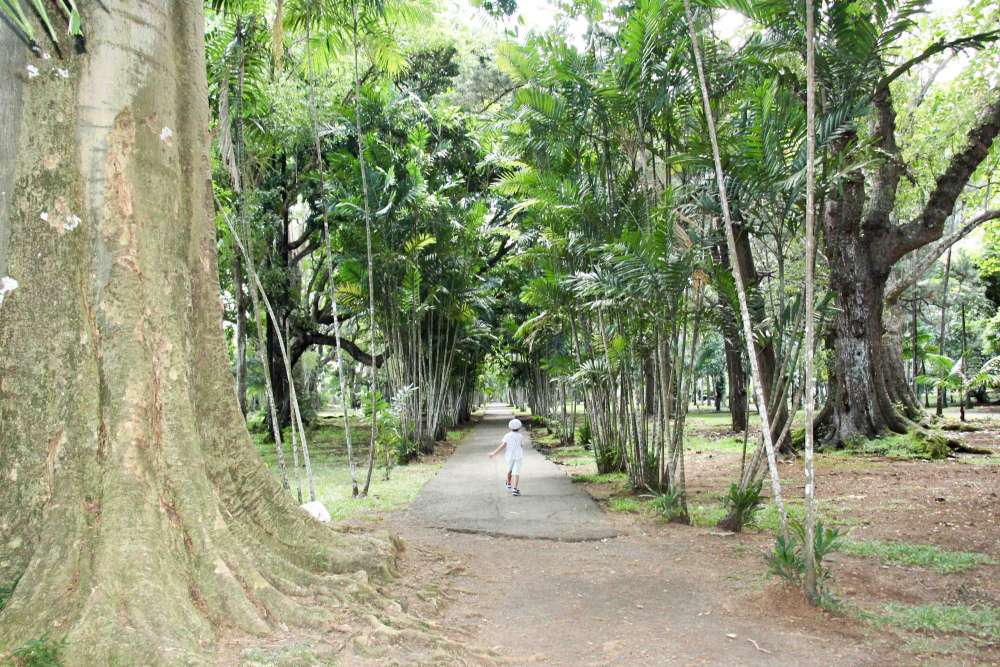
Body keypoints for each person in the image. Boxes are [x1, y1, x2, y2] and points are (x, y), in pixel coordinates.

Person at [489, 418, 525, 496]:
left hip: (509, 456)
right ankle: (515, 489)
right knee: (516, 473)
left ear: (510, 427)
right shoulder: (521, 436)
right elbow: (521, 445)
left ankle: (509, 483)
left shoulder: (507, 436)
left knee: (509, 470)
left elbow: (503, 445)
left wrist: (493, 453)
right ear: (519, 427)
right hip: (518, 456)